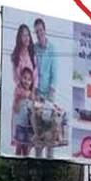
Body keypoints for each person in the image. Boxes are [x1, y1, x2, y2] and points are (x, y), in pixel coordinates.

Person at [33, 18, 58, 158]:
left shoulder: (52, 48)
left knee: (50, 127)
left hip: (49, 94)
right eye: (37, 32)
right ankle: (38, 158)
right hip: (37, 94)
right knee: (38, 128)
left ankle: (50, 158)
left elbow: (54, 74)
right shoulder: (34, 48)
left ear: (45, 30)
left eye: (41, 30)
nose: (39, 34)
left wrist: (50, 95)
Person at [12, 66, 35, 156]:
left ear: (32, 81)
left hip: (29, 127)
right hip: (20, 126)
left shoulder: (32, 94)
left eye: (29, 79)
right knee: (19, 146)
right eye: (25, 78)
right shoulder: (18, 91)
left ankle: (25, 167)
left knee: (26, 149)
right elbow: (15, 109)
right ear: (21, 78)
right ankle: (16, 166)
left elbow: (33, 109)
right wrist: (18, 99)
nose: (26, 81)